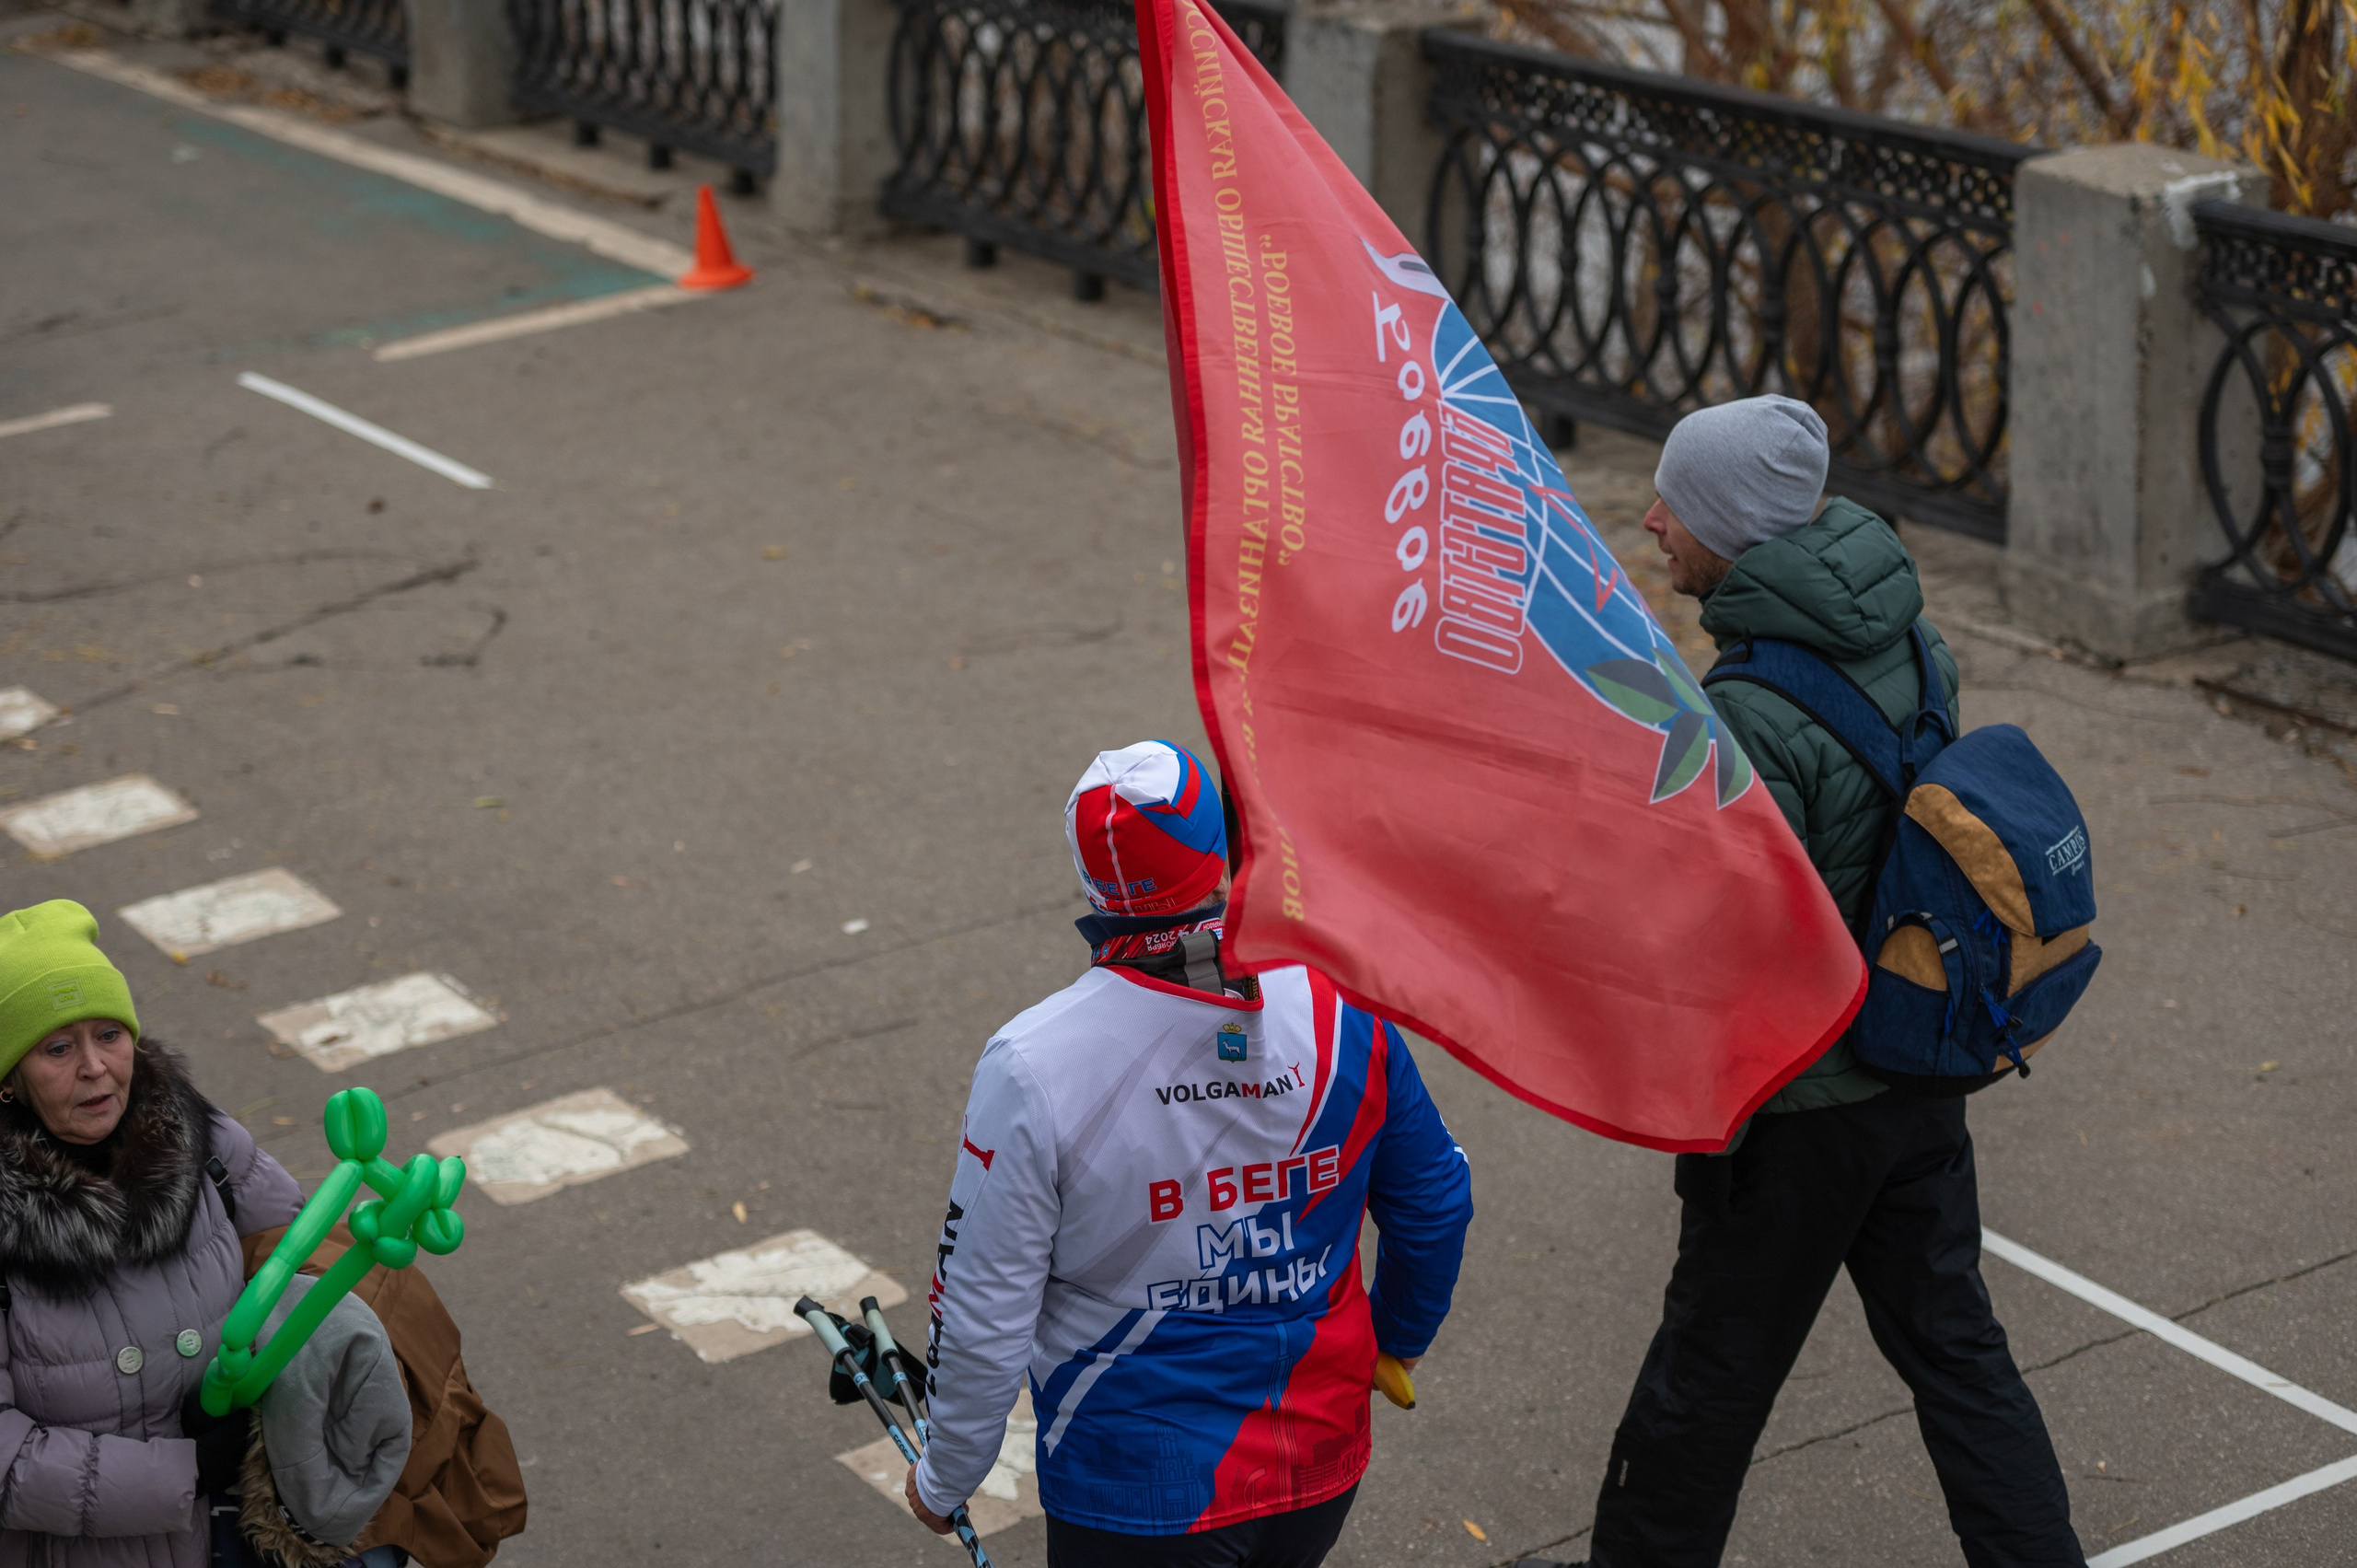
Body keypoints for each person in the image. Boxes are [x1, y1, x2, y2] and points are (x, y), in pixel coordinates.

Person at [1521, 398, 2084, 1568]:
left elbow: (1703, 928)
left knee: (1700, 1395)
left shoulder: (1746, 712)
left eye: (1676, 505)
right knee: (1958, 1356)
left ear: (1734, 529)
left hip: (1799, 1106)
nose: (1653, 520)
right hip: (1916, 1059)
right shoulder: (1905, 631)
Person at [905, 740, 1475, 1567]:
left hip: (1131, 1487)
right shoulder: (1339, 1001)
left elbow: (982, 1304)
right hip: (1316, 1456)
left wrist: (945, 1475)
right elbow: (1435, 1201)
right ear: (1220, 847)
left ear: (1092, 880)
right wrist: (1395, 1337)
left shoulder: (1033, 1062)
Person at [0, 899, 404, 1568]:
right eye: (58, 1047)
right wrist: (181, 1470)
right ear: (10, 1078)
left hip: (241, 1538)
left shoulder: (201, 1138)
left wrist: (276, 1394)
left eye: (109, 1033)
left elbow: (298, 1254)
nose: (96, 1066)